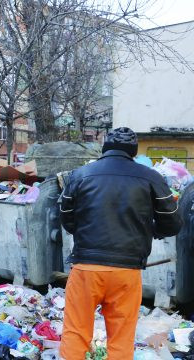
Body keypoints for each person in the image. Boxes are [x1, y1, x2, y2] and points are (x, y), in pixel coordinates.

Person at [59, 127, 182, 360]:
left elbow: (66, 217)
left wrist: (86, 235)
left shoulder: (80, 175)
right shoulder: (150, 177)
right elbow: (173, 222)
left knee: (76, 331)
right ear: (133, 151)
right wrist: (151, 230)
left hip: (86, 268)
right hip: (127, 270)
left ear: (105, 147)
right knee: (121, 337)